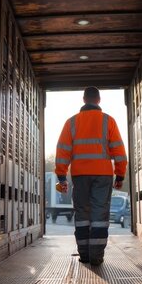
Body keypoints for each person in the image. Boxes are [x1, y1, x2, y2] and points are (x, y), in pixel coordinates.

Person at [55, 87, 128, 265]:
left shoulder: (71, 122)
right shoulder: (108, 121)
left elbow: (62, 151)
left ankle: (85, 255)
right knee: (99, 216)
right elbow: (119, 151)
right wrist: (120, 175)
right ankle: (96, 257)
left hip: (80, 175)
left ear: (84, 99)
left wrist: (62, 177)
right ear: (99, 100)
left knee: (82, 215)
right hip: (103, 175)